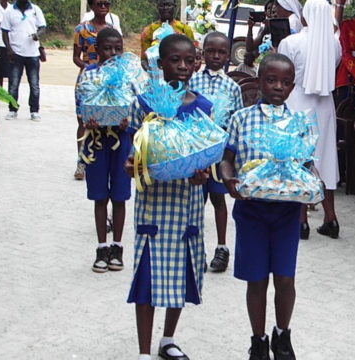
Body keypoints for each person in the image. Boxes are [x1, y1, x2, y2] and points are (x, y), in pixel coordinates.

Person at [124, 34, 210, 360]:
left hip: (187, 203)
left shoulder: (202, 107)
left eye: (189, 61)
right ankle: (144, 351)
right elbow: (129, 162)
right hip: (153, 205)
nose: (183, 67)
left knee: (181, 273)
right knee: (147, 274)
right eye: (175, 60)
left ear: (197, 63)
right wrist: (138, 165)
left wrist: (201, 174)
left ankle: (168, 339)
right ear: (160, 65)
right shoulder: (143, 105)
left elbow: (205, 158)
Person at [220, 53, 302, 360]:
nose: (278, 87)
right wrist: (230, 181)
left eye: (285, 82)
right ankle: (258, 340)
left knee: (285, 278)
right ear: (258, 82)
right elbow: (227, 159)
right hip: (251, 210)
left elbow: (306, 165)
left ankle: (283, 335)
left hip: (287, 211)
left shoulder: (298, 122)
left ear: (292, 87)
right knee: (256, 279)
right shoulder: (241, 118)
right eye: (271, 80)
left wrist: (315, 184)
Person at [278, 0, 341, 239]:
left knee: (299, 159)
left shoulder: (290, 42)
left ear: (305, 16)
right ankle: (331, 218)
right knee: (325, 159)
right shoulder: (334, 44)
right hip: (324, 104)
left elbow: (283, 72)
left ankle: (301, 221)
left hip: (297, 101)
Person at [75, 28, 130, 273]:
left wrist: (129, 121)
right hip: (96, 142)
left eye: (118, 48)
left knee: (119, 195)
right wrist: (88, 119)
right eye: (107, 48)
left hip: (122, 142)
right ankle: (101, 246)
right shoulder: (88, 75)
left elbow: (137, 106)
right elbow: (80, 104)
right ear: (96, 51)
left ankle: (117, 247)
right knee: (99, 195)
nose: (113, 53)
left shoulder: (129, 76)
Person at [189, 31, 243, 273]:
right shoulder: (192, 81)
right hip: (197, 151)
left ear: (228, 55)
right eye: (211, 51)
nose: (216, 56)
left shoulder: (232, 87)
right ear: (203, 52)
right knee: (196, 200)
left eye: (222, 52)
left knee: (218, 198)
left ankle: (222, 248)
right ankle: (196, 247)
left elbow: (236, 121)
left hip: (219, 152)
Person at [72, 0, 116, 180]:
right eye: (99, 4)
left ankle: (101, 159)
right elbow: (75, 57)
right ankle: (81, 162)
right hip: (87, 81)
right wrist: (92, 69)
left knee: (108, 121)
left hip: (109, 81)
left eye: (107, 3)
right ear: (91, 6)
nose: (103, 7)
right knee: (83, 121)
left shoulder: (112, 29)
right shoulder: (81, 29)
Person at [1, 0, 46, 122]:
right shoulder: (9, 11)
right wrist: (9, 50)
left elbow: (43, 27)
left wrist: (37, 34)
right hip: (16, 53)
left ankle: (34, 111)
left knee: (34, 84)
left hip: (33, 53)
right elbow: (4, 32)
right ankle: (12, 110)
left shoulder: (35, 10)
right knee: (13, 84)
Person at [140, 0, 194, 65]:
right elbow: (144, 60)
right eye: (162, 5)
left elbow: (192, 56)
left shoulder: (185, 29)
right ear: (158, 7)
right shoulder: (149, 31)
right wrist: (153, 71)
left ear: (174, 6)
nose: (165, 8)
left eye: (169, 5)